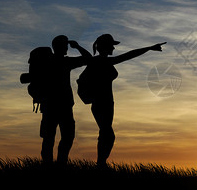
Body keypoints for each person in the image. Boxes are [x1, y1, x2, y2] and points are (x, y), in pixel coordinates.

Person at [87, 34, 166, 166]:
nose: (113, 47)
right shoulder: (101, 61)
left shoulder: (101, 61)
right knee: (107, 134)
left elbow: (128, 55)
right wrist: (149, 48)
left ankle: (101, 163)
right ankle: (100, 164)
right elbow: (128, 55)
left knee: (106, 134)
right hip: (101, 103)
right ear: (105, 46)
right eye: (111, 45)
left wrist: (149, 48)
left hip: (105, 103)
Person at [40, 35, 92, 165]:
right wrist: (78, 46)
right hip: (63, 106)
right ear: (59, 47)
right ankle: (60, 163)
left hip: (49, 106)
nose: (67, 49)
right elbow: (88, 59)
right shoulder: (65, 62)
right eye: (65, 46)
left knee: (49, 138)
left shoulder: (46, 62)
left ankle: (49, 164)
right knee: (65, 137)